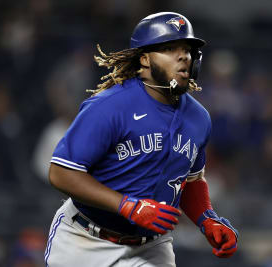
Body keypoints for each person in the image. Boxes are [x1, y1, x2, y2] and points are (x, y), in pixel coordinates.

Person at [44, 12, 238, 267]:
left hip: (151, 247)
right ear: (144, 59)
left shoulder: (199, 118)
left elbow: (191, 180)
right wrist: (128, 206)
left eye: (188, 50)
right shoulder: (109, 107)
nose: (183, 56)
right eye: (169, 48)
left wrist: (206, 218)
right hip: (86, 240)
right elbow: (61, 173)